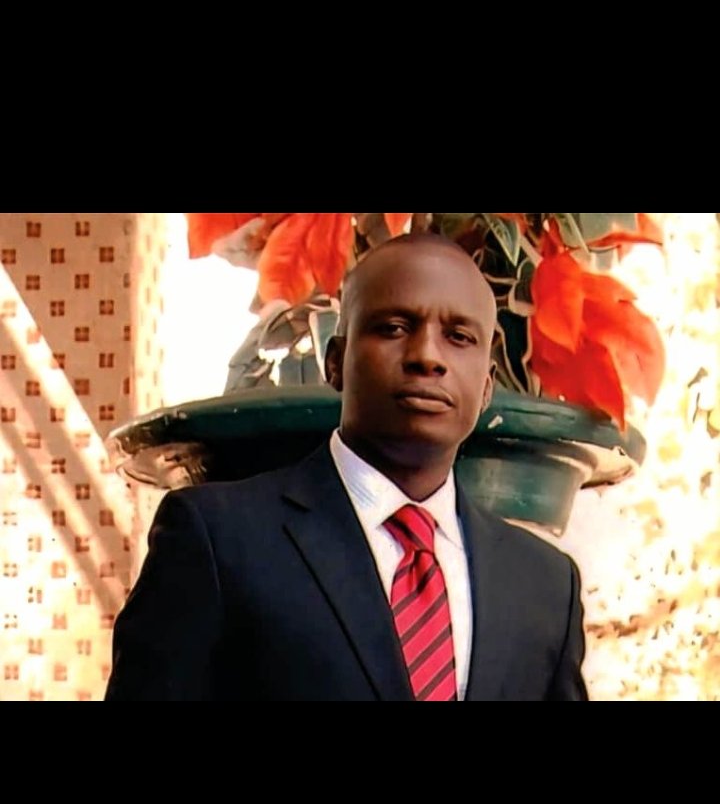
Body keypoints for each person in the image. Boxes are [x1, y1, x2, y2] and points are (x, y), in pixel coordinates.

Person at [105, 232, 588, 701]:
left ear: (486, 386)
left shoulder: (545, 585)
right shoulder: (218, 539)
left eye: (459, 337)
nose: (427, 356)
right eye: (394, 328)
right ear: (334, 362)